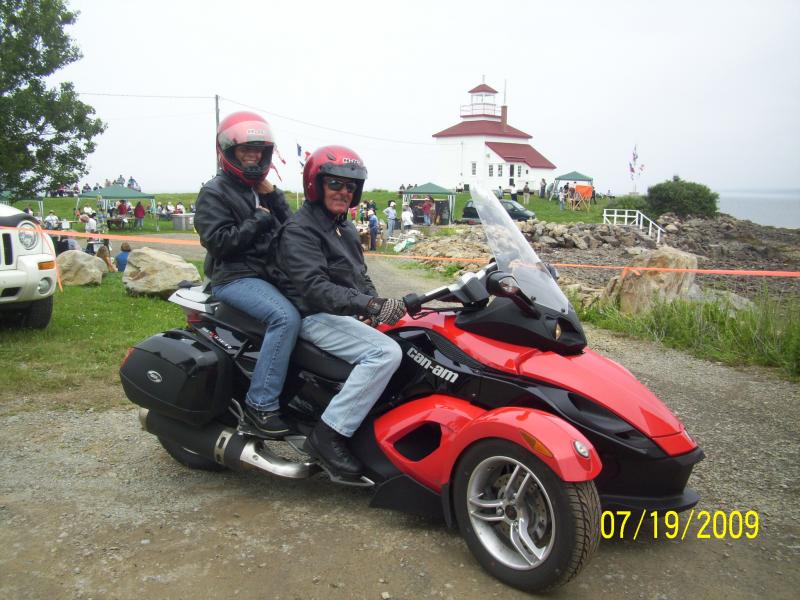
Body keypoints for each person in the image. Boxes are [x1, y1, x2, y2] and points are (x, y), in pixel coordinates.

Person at [271, 145, 404, 478]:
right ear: (316, 185)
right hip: (312, 316)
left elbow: (359, 278)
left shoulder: (342, 228)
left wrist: (378, 306)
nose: (344, 192)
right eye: (335, 184)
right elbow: (314, 287)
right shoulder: (301, 230)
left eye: (350, 186)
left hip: (339, 314)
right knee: (384, 353)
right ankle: (327, 435)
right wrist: (368, 305)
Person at [194, 110, 301, 437]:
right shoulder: (214, 192)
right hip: (234, 278)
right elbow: (218, 243)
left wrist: (274, 197)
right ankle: (261, 405)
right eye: (246, 150)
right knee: (285, 318)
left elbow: (294, 230)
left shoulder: (260, 189)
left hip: (267, 276)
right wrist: (258, 219)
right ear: (229, 152)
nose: (254, 157)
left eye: (259, 151)